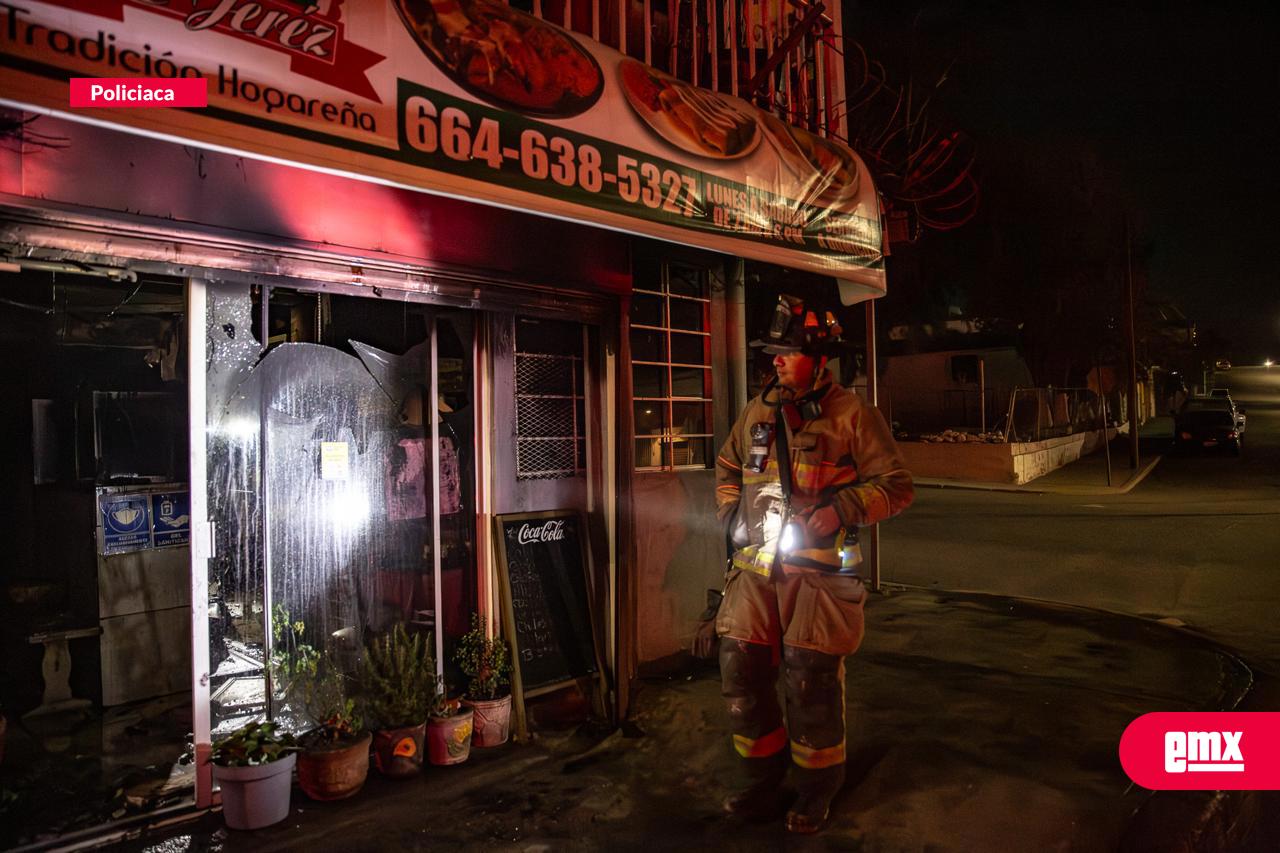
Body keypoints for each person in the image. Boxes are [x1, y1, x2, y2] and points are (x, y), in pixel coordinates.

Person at [714, 294, 914, 834]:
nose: (776, 360)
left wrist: (841, 510)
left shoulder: (852, 416)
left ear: (820, 358)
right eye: (773, 352)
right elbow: (729, 465)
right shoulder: (757, 411)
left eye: (787, 351)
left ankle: (817, 789)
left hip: (820, 577)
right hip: (755, 573)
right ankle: (760, 782)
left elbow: (897, 488)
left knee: (810, 682)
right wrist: (731, 513)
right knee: (740, 669)